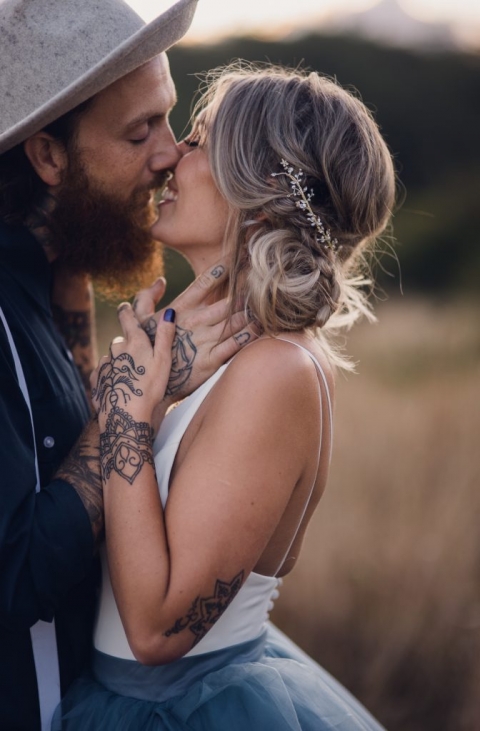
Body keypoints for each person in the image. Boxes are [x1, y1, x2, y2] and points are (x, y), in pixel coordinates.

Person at [54, 64, 396, 730]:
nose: (172, 157)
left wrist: (126, 409)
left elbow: (156, 630)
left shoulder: (276, 371)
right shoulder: (238, 351)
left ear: (262, 193)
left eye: (200, 141)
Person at [0, 2, 254, 729]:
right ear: (48, 158)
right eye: (140, 131)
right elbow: (15, 575)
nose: (172, 153)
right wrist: (134, 400)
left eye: (168, 119)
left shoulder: (60, 281)